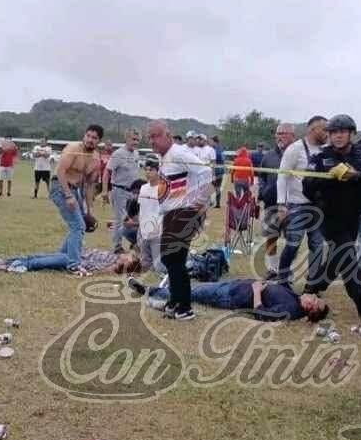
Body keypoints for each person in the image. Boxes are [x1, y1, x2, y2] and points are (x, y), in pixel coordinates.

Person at [302, 114, 361, 321]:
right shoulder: (321, 157)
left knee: (337, 257)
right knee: (348, 258)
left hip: (354, 215)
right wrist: (329, 177)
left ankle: (313, 287)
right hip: (329, 216)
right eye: (334, 133)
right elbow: (307, 187)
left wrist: (356, 174)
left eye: (342, 132)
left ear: (351, 134)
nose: (338, 136)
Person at [147, 120, 212, 321]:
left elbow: (206, 172)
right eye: (149, 137)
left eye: (155, 136)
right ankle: (175, 301)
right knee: (170, 259)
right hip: (171, 213)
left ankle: (184, 307)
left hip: (182, 213)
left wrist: (198, 203)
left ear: (168, 135)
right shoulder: (165, 157)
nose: (152, 141)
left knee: (175, 259)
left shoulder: (178, 153)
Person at [128, 277, 329, 323]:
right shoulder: (296, 299)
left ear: (310, 309)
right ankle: (158, 291)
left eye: (314, 300)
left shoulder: (291, 309)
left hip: (231, 296)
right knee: (196, 288)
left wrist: (257, 290)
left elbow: (261, 314)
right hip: (235, 286)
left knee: (191, 293)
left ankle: (149, 291)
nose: (312, 295)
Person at [275, 116, 328, 288]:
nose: (327, 133)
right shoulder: (295, 149)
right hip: (297, 205)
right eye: (324, 129)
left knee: (318, 246)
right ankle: (283, 280)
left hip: (319, 205)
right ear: (312, 129)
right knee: (293, 245)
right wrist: (281, 204)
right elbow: (282, 176)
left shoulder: (327, 149)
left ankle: (311, 285)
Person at [51, 125, 103, 274]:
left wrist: (89, 209)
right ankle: (73, 265)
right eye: (88, 136)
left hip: (76, 189)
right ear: (84, 136)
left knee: (80, 225)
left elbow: (89, 185)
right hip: (60, 186)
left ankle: (62, 257)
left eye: (94, 138)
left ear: (98, 141)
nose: (90, 140)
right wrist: (68, 196)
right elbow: (60, 171)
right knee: (78, 226)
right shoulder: (72, 148)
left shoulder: (95, 158)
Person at [258, 124, 293, 276]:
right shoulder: (268, 156)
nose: (280, 136)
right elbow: (261, 177)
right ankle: (272, 269)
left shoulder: (297, 154)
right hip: (271, 204)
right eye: (278, 133)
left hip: (292, 206)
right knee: (271, 237)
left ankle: (286, 270)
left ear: (293, 136)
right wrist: (262, 192)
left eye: (284, 133)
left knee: (292, 241)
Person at [103, 128, 141, 253]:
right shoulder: (118, 154)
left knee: (135, 219)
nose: (135, 142)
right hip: (119, 190)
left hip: (133, 193)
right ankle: (117, 246)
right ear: (126, 139)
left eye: (137, 140)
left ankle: (134, 242)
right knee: (120, 220)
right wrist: (104, 191)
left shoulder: (136, 154)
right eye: (133, 139)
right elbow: (106, 172)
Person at [0, 247, 142, 275]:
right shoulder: (113, 256)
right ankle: (3, 261)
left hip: (73, 261)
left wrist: (119, 267)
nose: (129, 254)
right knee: (38, 257)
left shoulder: (112, 266)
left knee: (37, 263)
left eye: (130, 257)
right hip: (75, 255)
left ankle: (1, 267)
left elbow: (93, 270)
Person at [136, 155, 165, 274]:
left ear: (158, 171)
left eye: (151, 170)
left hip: (158, 232)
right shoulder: (143, 188)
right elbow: (141, 209)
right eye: (146, 170)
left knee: (159, 268)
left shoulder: (163, 188)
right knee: (145, 266)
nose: (148, 173)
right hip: (144, 231)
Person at [210, 135, 225, 208]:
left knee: (213, 186)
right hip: (220, 170)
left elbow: (213, 160)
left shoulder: (214, 150)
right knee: (217, 187)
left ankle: (213, 202)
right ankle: (217, 203)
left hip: (216, 171)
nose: (210, 142)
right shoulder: (221, 148)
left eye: (211, 141)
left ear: (214, 141)